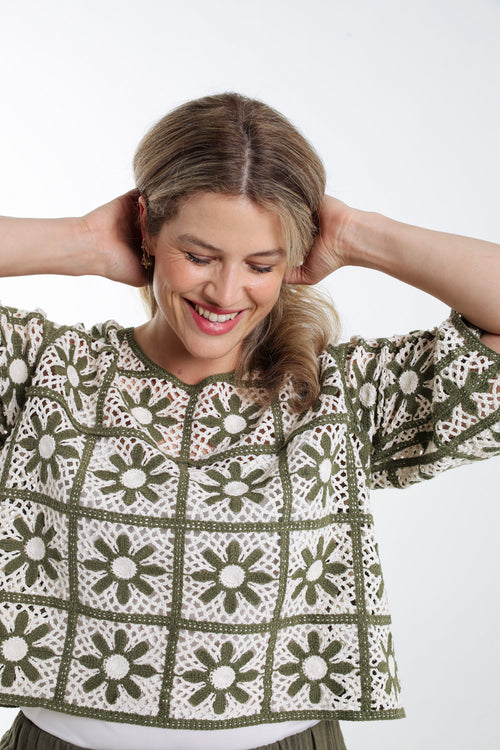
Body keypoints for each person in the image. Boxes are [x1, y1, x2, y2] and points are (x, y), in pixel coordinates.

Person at [0, 92, 498, 750]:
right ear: (147, 227)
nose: (226, 293)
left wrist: (359, 235)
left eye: (261, 264)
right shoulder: (46, 371)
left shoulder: (333, 393)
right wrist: (82, 243)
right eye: (199, 256)